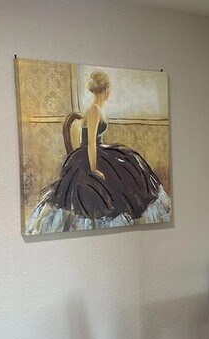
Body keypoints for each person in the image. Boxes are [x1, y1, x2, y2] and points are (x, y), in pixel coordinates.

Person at [26, 70, 171, 233]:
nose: (110, 92)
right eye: (109, 89)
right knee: (120, 176)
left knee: (132, 163)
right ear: (105, 89)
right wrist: (94, 168)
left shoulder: (95, 109)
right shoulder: (94, 110)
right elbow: (90, 142)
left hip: (97, 151)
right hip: (90, 155)